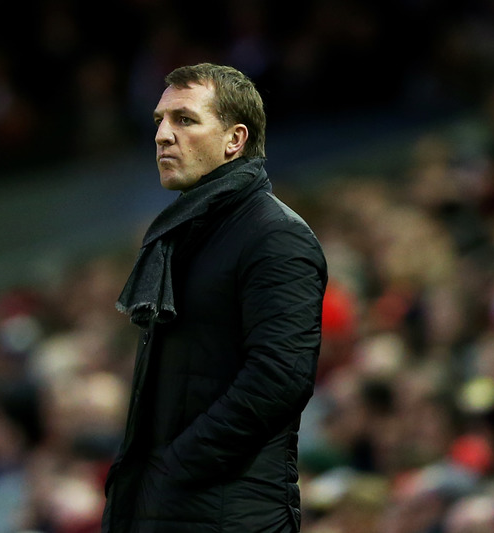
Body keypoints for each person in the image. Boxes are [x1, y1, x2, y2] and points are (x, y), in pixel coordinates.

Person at [102, 63, 328, 533]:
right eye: (160, 121)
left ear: (234, 139)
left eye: (184, 119)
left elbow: (280, 379)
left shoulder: (276, 235)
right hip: (174, 508)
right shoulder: (186, 234)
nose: (163, 135)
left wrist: (177, 466)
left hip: (228, 513)